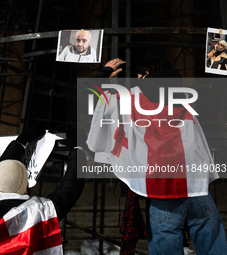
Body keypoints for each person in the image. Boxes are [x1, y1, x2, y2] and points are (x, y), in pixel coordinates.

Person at [87, 56, 227, 254]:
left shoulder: (129, 97)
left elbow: (92, 99)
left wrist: (104, 74)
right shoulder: (183, 97)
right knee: (214, 247)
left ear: (145, 74)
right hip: (197, 188)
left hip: (162, 191)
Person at [0, 128, 86, 254]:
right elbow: (71, 189)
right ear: (25, 189)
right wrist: (78, 148)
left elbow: (2, 174)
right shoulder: (32, 214)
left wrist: (19, 143)